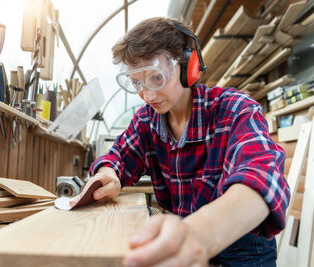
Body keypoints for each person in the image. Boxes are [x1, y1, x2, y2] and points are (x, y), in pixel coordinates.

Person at [72, 17, 290, 267]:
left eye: (157, 78)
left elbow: (261, 177)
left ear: (189, 67)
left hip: (243, 253)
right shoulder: (147, 121)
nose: (148, 95)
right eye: (137, 83)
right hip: (185, 245)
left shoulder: (235, 109)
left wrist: (196, 234)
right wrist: (108, 174)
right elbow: (118, 155)